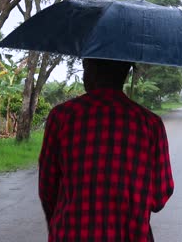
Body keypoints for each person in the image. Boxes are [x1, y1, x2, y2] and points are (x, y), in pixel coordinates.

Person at [38, 58, 174, 242]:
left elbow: (47, 187)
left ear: (89, 70)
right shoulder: (150, 124)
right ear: (126, 74)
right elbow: (159, 196)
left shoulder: (62, 116)